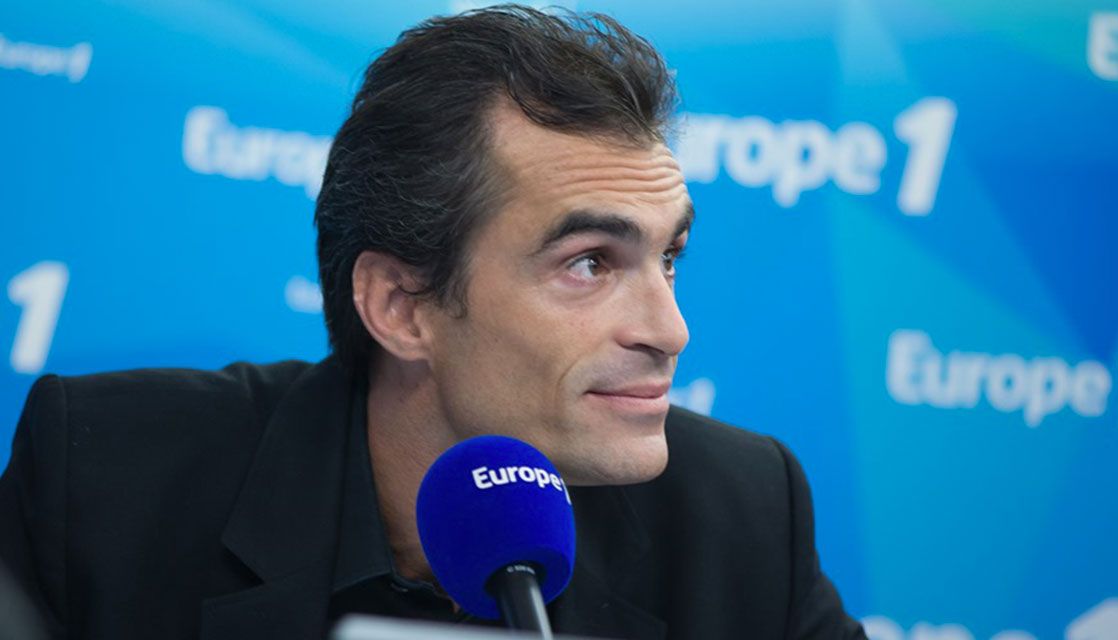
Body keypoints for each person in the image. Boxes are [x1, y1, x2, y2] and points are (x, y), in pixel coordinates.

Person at [0, 6, 863, 639]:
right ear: (399, 306)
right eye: (590, 263)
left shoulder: (740, 518)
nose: (670, 331)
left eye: (668, 257)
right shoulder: (107, 482)